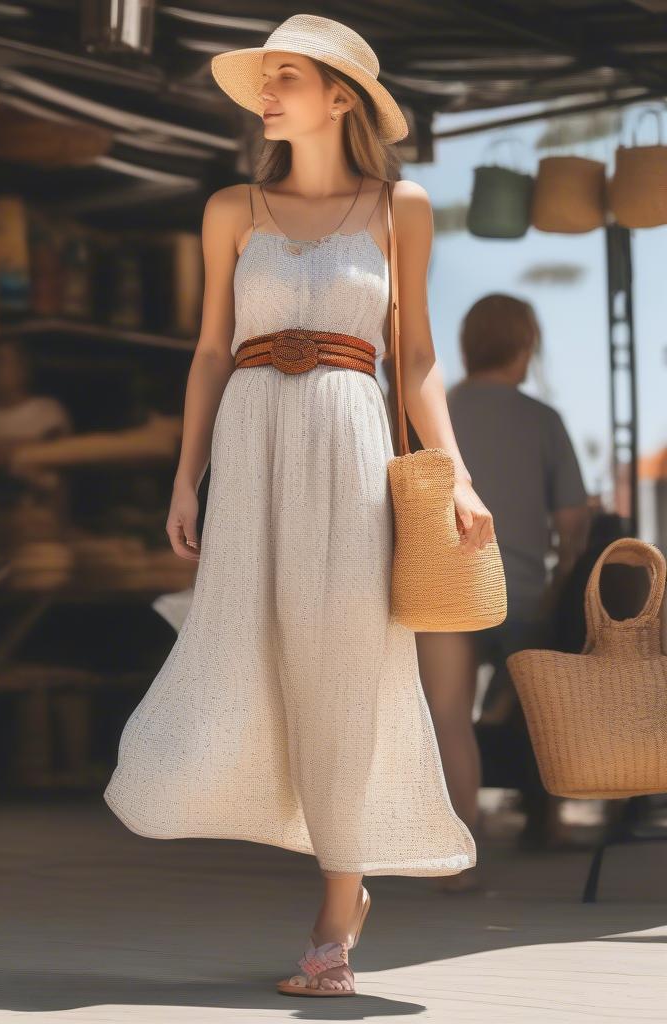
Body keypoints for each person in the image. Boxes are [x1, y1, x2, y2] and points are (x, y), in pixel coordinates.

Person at [103, 15, 494, 998]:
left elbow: (414, 359)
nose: (265, 92)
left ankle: (336, 911)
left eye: (286, 76)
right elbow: (207, 351)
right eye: (264, 76)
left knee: (348, 665)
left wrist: (458, 473)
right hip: (251, 441)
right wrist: (186, 476)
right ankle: (269, 828)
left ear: (340, 100)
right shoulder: (231, 207)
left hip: (349, 446)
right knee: (242, 648)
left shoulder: (399, 206)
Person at [417, 294, 590, 880]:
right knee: (548, 712)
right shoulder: (543, 419)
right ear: (525, 346)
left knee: (447, 718)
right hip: (522, 595)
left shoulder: (430, 411)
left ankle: (459, 860)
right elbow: (573, 526)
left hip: (444, 590)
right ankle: (551, 820)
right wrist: (560, 581)